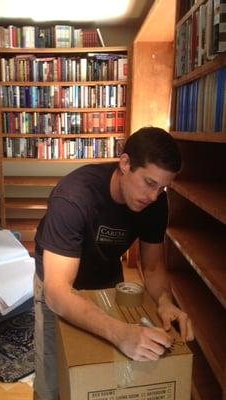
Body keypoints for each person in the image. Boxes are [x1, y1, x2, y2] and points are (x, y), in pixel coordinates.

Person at [33, 127, 194, 400]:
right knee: (52, 380)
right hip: (56, 284)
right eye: (149, 183)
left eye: (162, 187)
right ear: (125, 163)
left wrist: (165, 302)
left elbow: (153, 267)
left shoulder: (155, 202)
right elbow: (57, 292)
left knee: (106, 374)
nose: (153, 196)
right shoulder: (73, 197)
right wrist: (120, 333)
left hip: (107, 281)